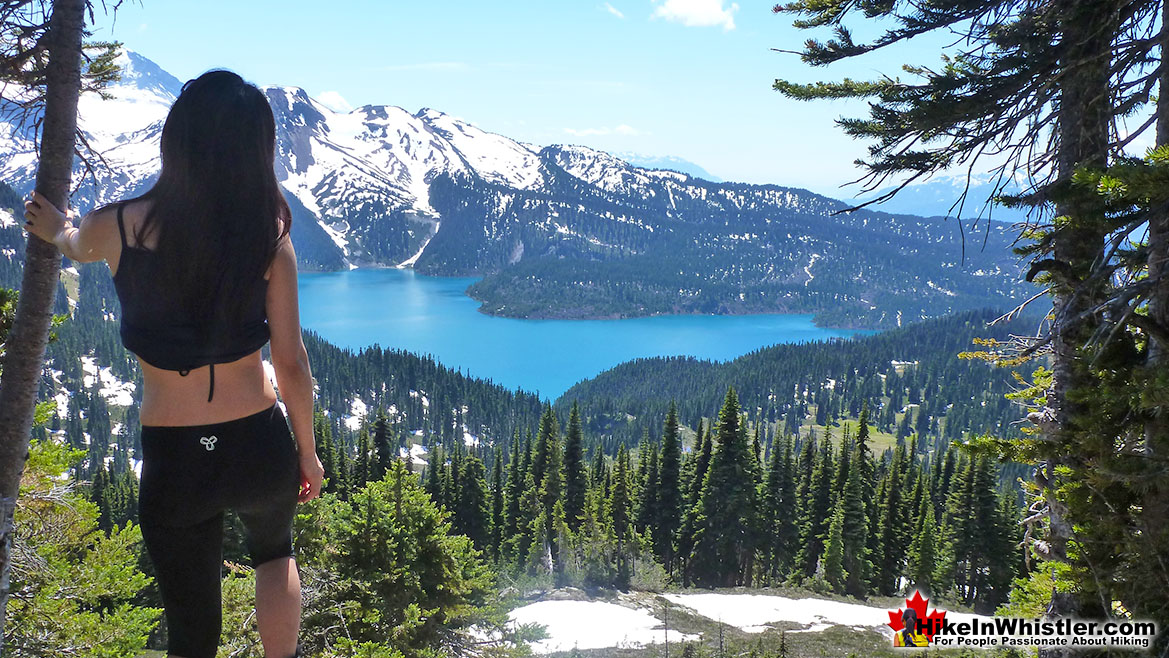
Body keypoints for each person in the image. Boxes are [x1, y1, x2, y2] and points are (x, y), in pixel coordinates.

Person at [22, 69, 324, 658]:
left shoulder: (119, 226)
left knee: (192, 626)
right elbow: (290, 362)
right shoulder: (270, 234)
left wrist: (58, 229)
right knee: (275, 551)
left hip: (176, 455)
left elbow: (76, 246)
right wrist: (306, 452)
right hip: (258, 441)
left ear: (176, 139)